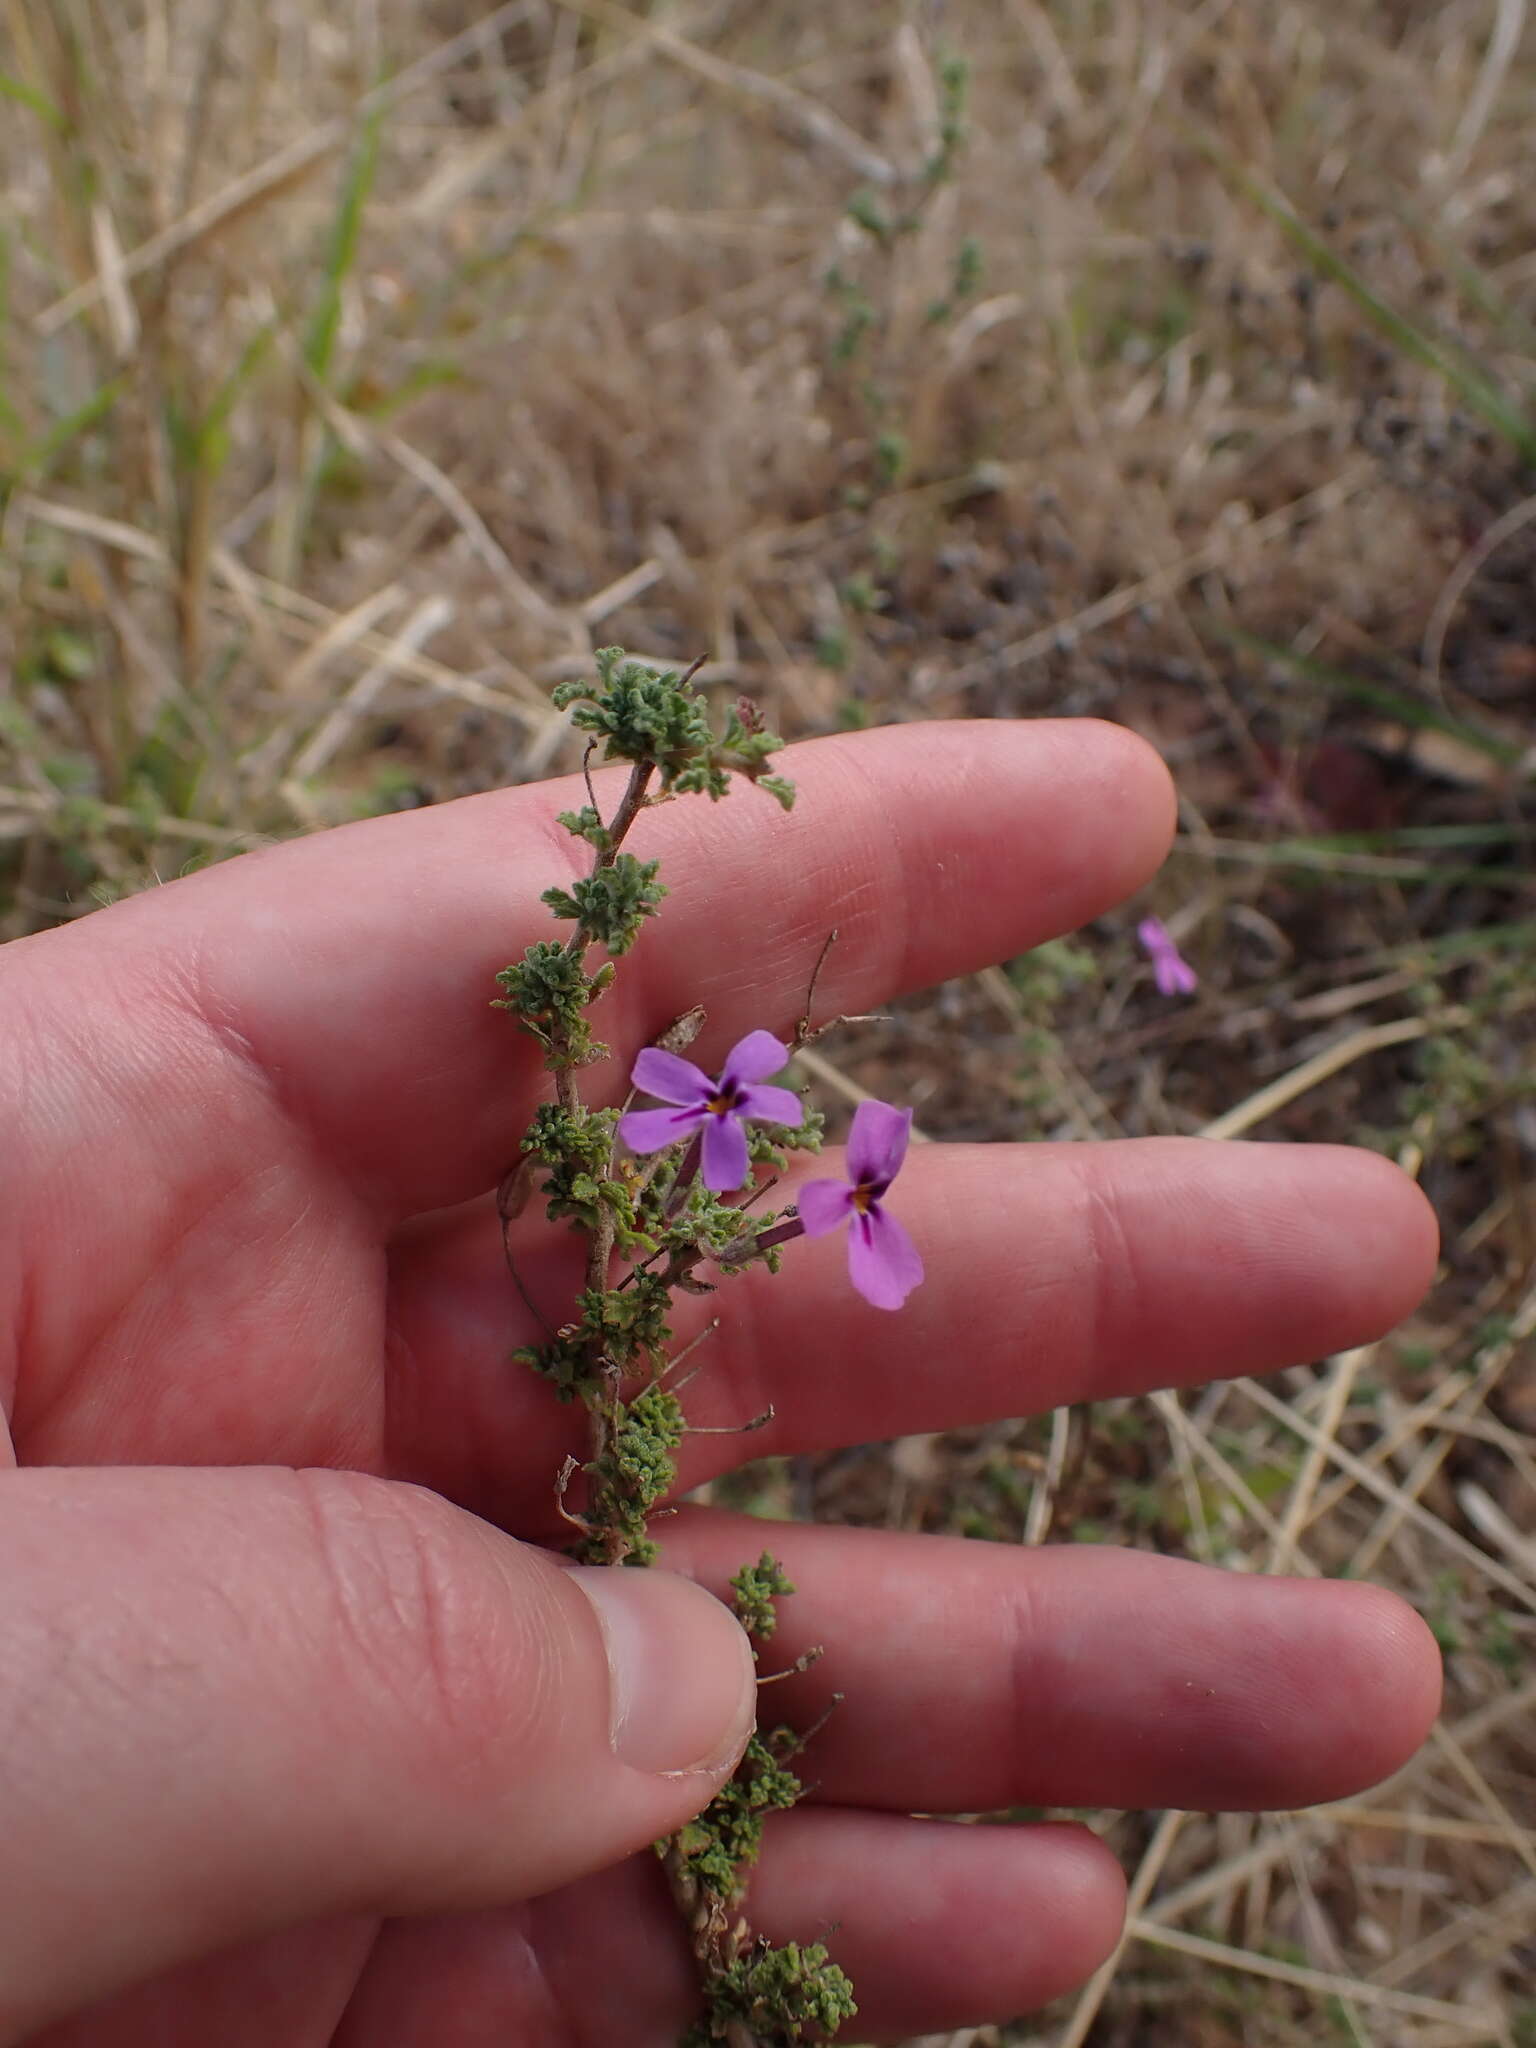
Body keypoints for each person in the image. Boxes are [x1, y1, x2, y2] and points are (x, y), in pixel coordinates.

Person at [0, 717, 1440, 2046]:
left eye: (753, 1107)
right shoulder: (677, 1121)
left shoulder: (765, 1162)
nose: (755, 1120)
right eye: (732, 1102)